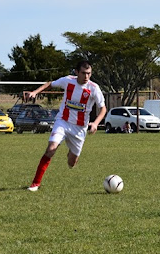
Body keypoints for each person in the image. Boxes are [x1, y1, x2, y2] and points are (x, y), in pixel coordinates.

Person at [25, 60, 107, 192]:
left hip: (80, 128)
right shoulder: (68, 81)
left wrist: (96, 123)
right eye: (83, 73)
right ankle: (35, 183)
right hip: (63, 121)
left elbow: (103, 108)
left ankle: (71, 152)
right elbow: (50, 84)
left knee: (71, 163)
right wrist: (35, 92)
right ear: (76, 72)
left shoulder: (94, 88)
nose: (86, 76)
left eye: (89, 73)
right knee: (51, 149)